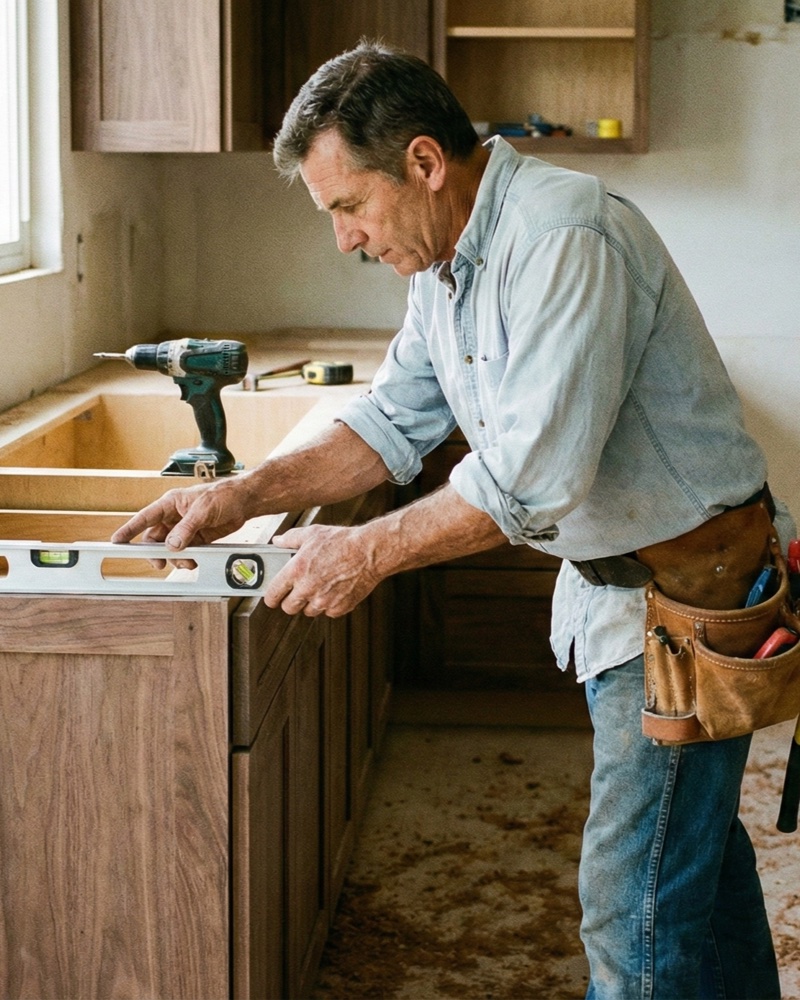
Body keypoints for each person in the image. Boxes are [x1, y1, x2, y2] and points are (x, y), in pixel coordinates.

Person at [111, 41, 789, 999]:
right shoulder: (445, 264)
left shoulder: (562, 238)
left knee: (631, 911)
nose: (344, 239)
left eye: (349, 206)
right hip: (635, 596)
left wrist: (366, 550)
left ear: (425, 164)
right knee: (694, 881)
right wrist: (243, 493)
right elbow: (390, 422)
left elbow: (531, 479)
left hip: (692, 599)